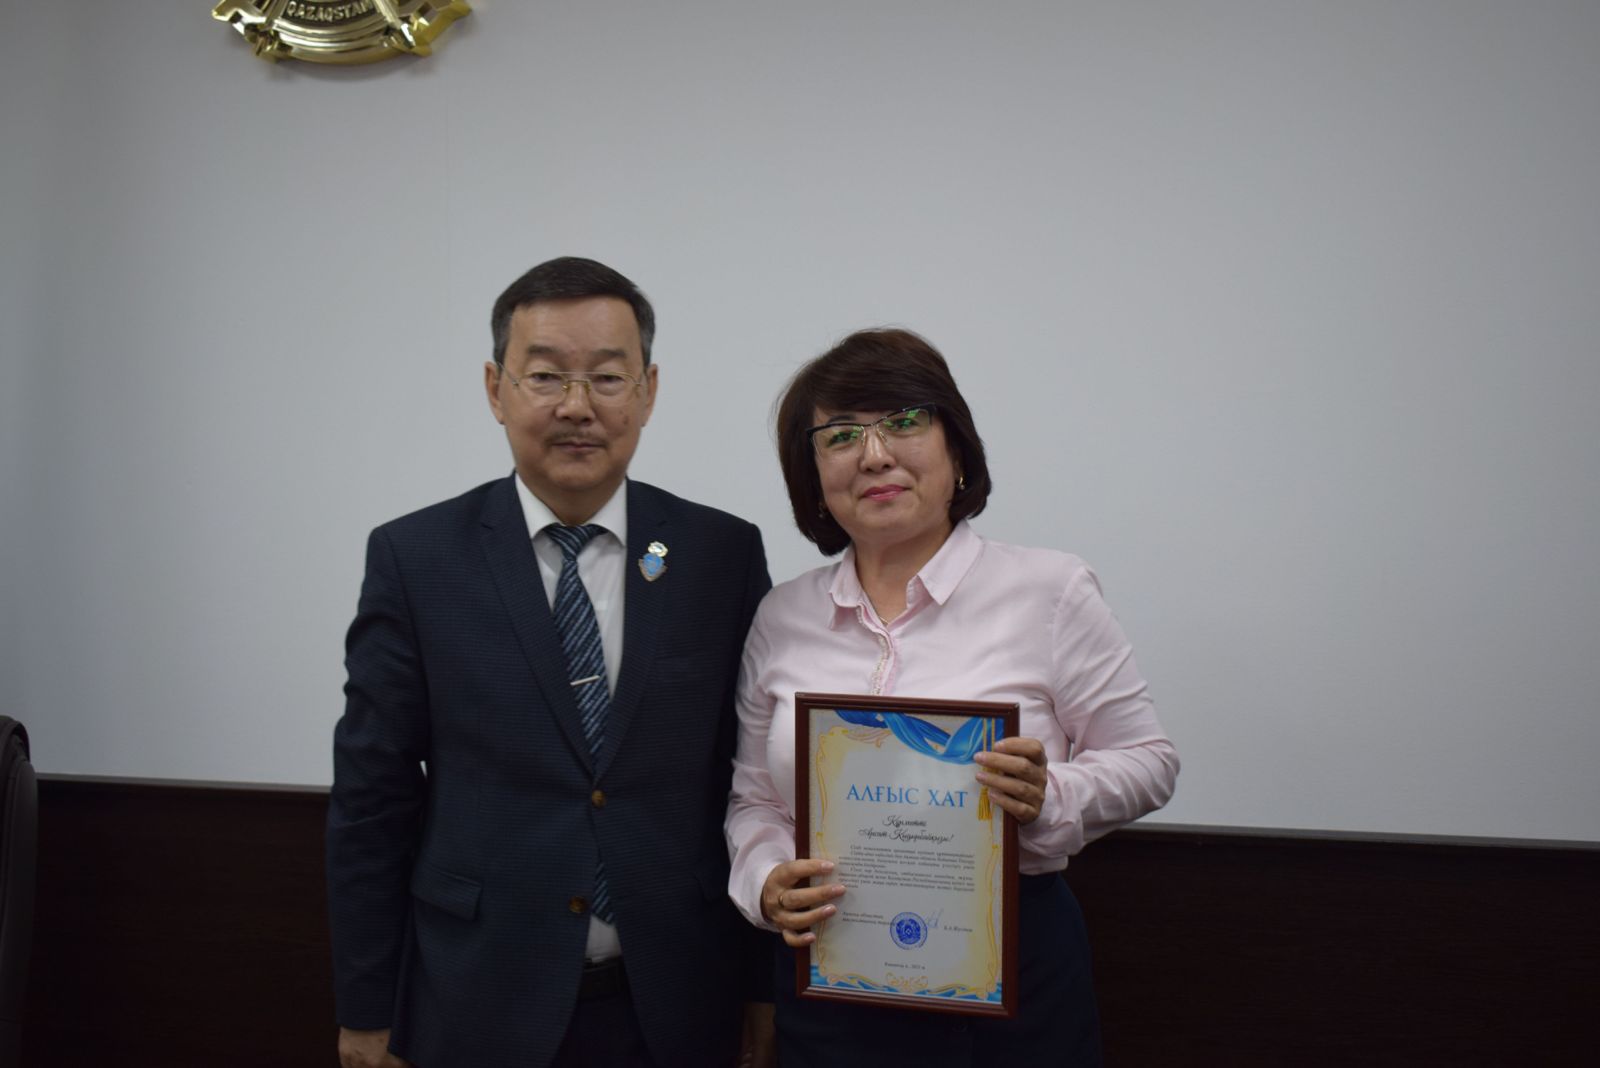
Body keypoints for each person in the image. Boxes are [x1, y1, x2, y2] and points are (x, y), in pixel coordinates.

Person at [328, 257, 773, 1068]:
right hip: (476, 998)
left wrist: (762, 987)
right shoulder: (417, 559)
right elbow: (372, 797)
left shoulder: (719, 554)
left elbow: (751, 780)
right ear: (495, 389)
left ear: (648, 391)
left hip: (679, 1000)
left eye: (607, 376)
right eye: (545, 377)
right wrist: (365, 1006)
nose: (577, 406)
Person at [725, 328, 1179, 1066]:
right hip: (829, 975)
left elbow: (1150, 762)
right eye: (841, 435)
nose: (875, 455)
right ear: (813, 476)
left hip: (1012, 972)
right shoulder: (783, 615)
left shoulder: (1050, 591)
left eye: (904, 421)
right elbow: (755, 799)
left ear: (957, 449)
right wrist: (766, 881)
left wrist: (1051, 796)